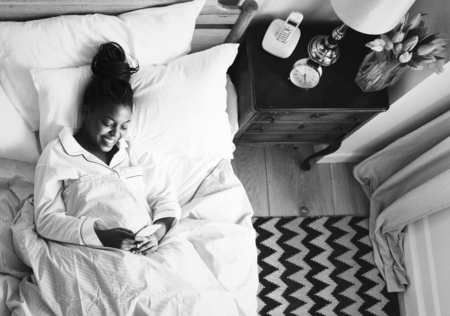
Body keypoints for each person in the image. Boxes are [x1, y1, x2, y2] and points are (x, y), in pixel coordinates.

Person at [34, 42, 181, 256]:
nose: (115, 133)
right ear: (86, 113)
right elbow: (46, 220)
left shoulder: (134, 150)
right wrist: (103, 238)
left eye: (124, 126)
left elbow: (165, 199)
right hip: (93, 251)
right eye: (108, 123)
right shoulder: (58, 153)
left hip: (145, 250)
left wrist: (156, 234)